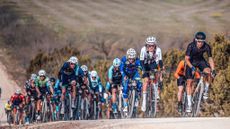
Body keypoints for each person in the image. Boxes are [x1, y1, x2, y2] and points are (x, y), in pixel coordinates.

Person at [185, 31, 216, 112]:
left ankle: (205, 90)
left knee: (208, 72)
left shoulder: (207, 46)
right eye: (198, 41)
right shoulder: (191, 46)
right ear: (195, 40)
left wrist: (213, 69)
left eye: (202, 42)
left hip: (200, 61)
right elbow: (186, 59)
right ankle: (189, 104)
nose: (200, 43)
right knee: (189, 82)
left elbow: (210, 59)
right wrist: (192, 67)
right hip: (191, 63)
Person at [139, 36, 164, 112]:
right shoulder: (143, 50)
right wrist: (143, 70)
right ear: (146, 45)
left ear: (155, 45)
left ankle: (155, 91)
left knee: (156, 74)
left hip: (153, 64)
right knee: (146, 81)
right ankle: (144, 102)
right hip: (145, 65)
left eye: (152, 45)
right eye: (149, 45)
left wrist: (161, 69)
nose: (151, 47)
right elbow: (141, 61)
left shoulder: (158, 50)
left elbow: (160, 61)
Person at [120, 48, 142, 112]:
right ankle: (125, 105)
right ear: (127, 57)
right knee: (125, 87)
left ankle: (137, 99)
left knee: (139, 84)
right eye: (130, 59)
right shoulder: (123, 59)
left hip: (134, 74)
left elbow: (140, 66)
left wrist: (142, 70)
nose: (131, 60)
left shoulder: (137, 60)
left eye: (133, 59)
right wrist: (124, 75)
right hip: (126, 74)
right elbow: (121, 68)